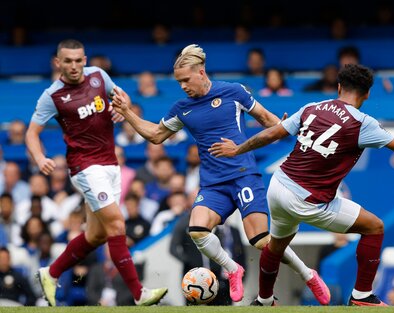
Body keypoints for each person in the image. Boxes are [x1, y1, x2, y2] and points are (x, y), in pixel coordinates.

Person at [209, 64, 394, 306]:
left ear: (339, 87)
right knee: (374, 227)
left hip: (278, 185)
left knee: (276, 245)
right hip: (307, 199)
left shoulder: (312, 107)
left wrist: (238, 148)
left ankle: (264, 300)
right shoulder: (362, 123)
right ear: (366, 93)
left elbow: (273, 133)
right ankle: (362, 296)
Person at [111, 44, 330, 304]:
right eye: (178, 81)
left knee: (261, 241)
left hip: (243, 175)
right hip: (213, 184)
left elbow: (266, 118)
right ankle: (232, 268)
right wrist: (126, 113)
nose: (182, 85)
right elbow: (156, 135)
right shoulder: (183, 108)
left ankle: (308, 274)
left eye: (186, 79)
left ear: (201, 72)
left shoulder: (233, 91)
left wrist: (285, 127)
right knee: (197, 230)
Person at [24, 39, 167, 307]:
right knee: (117, 224)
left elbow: (122, 98)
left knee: (97, 236)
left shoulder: (99, 76)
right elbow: (32, 132)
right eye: (68, 61)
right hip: (85, 168)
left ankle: (51, 273)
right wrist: (40, 156)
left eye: (79, 60)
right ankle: (139, 293)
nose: (74, 66)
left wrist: (121, 108)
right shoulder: (52, 96)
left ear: (85, 59)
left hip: (111, 163)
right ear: (58, 63)